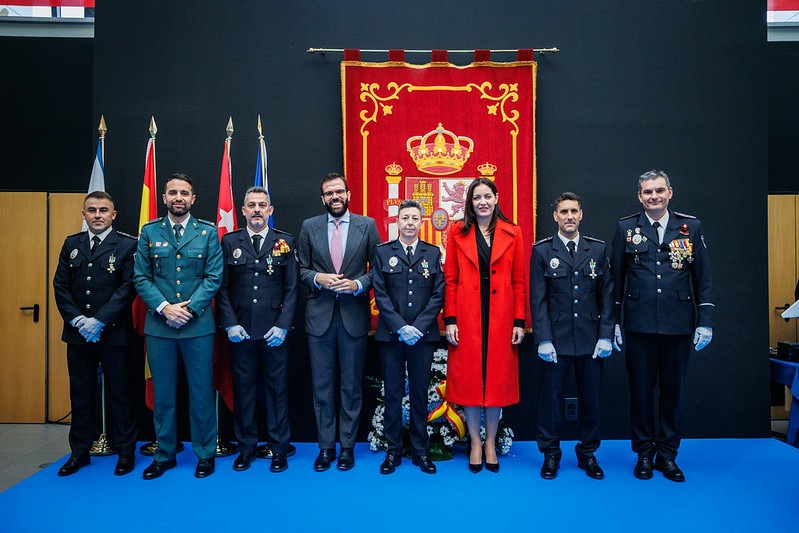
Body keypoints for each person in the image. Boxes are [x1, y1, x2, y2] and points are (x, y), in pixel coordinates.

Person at [610, 169, 714, 482]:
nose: (653, 196)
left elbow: (703, 278)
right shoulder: (627, 228)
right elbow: (616, 278)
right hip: (639, 325)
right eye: (647, 192)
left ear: (670, 192)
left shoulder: (690, 227)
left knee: (673, 393)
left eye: (658, 191)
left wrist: (705, 322)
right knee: (640, 393)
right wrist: (613, 322)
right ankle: (643, 453)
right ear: (639, 196)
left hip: (679, 324)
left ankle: (668, 455)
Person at [134, 173, 223, 480]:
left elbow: (213, 277)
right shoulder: (149, 232)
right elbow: (141, 277)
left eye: (184, 192)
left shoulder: (207, 232)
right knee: (163, 395)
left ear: (193, 199)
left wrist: (188, 309)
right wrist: (164, 308)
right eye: (173, 192)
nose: (178, 197)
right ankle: (164, 454)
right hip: (160, 326)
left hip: (197, 326)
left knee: (200, 393)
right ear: (164, 198)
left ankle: (204, 453)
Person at [297, 172, 380, 471]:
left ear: (348, 194)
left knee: (351, 387)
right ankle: (325, 447)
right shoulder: (309, 227)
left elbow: (378, 270)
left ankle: (347, 447)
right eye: (329, 193)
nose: (335, 197)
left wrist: (358, 285)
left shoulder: (367, 225)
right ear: (322, 198)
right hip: (319, 317)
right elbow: (301, 270)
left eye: (339, 192)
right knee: (321, 386)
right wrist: (318, 278)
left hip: (353, 316)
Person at [444, 177, 527, 473]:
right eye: (477, 197)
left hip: (502, 316)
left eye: (487, 196)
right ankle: (474, 442)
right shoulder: (457, 232)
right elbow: (450, 279)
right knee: (469, 379)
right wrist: (450, 318)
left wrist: (519, 320)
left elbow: (519, 281)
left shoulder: (513, 232)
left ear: (496, 198)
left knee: (495, 381)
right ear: (470, 202)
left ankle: (490, 441)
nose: (482, 202)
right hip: (467, 315)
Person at [52, 191, 138, 477]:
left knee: (120, 395)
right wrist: (78, 320)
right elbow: (61, 286)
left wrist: (99, 321)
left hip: (112, 334)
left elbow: (128, 288)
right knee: (81, 395)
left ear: (113, 215)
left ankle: (126, 453)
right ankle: (79, 452)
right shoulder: (72, 244)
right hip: (78, 336)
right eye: (92, 210)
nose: (97, 215)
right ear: (84, 214)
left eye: (103, 210)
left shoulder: (126, 245)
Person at [530, 192, 614, 480]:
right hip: (556, 338)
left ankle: (588, 453)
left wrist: (606, 334)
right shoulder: (542, 251)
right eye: (563, 211)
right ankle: (551, 453)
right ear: (555, 216)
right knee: (550, 399)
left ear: (581, 215)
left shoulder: (598, 250)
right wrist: (543, 338)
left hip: (591, 339)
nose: (569, 216)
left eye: (574, 211)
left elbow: (607, 295)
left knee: (591, 398)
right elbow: (537, 299)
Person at [216, 186, 298, 473]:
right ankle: (246, 447)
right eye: (251, 205)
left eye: (262, 205)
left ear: (270, 210)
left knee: (277, 392)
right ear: (243, 210)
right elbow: (222, 288)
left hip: (274, 333)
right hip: (241, 332)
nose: (257, 210)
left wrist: (283, 326)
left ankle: (278, 449)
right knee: (244, 391)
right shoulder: (230, 241)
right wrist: (229, 324)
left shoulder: (284, 241)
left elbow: (291, 289)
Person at [372, 200, 445, 475]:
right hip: (392, 336)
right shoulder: (382, 252)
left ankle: (420, 451)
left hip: (422, 337)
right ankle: (392, 452)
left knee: (418, 394)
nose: (410, 223)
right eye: (406, 218)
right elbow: (380, 294)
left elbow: (438, 294)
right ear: (397, 222)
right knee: (392, 394)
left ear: (421, 222)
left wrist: (418, 327)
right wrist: (401, 327)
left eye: (415, 218)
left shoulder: (432, 253)